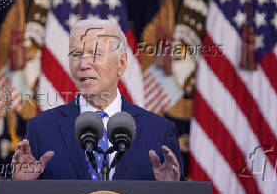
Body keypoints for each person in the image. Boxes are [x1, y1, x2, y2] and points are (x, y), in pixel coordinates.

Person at [12, 19, 183, 180]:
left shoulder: (159, 131)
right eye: (76, 54)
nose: (83, 64)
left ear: (121, 63)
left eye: (95, 54)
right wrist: (21, 186)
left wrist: (171, 191)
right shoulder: (42, 129)